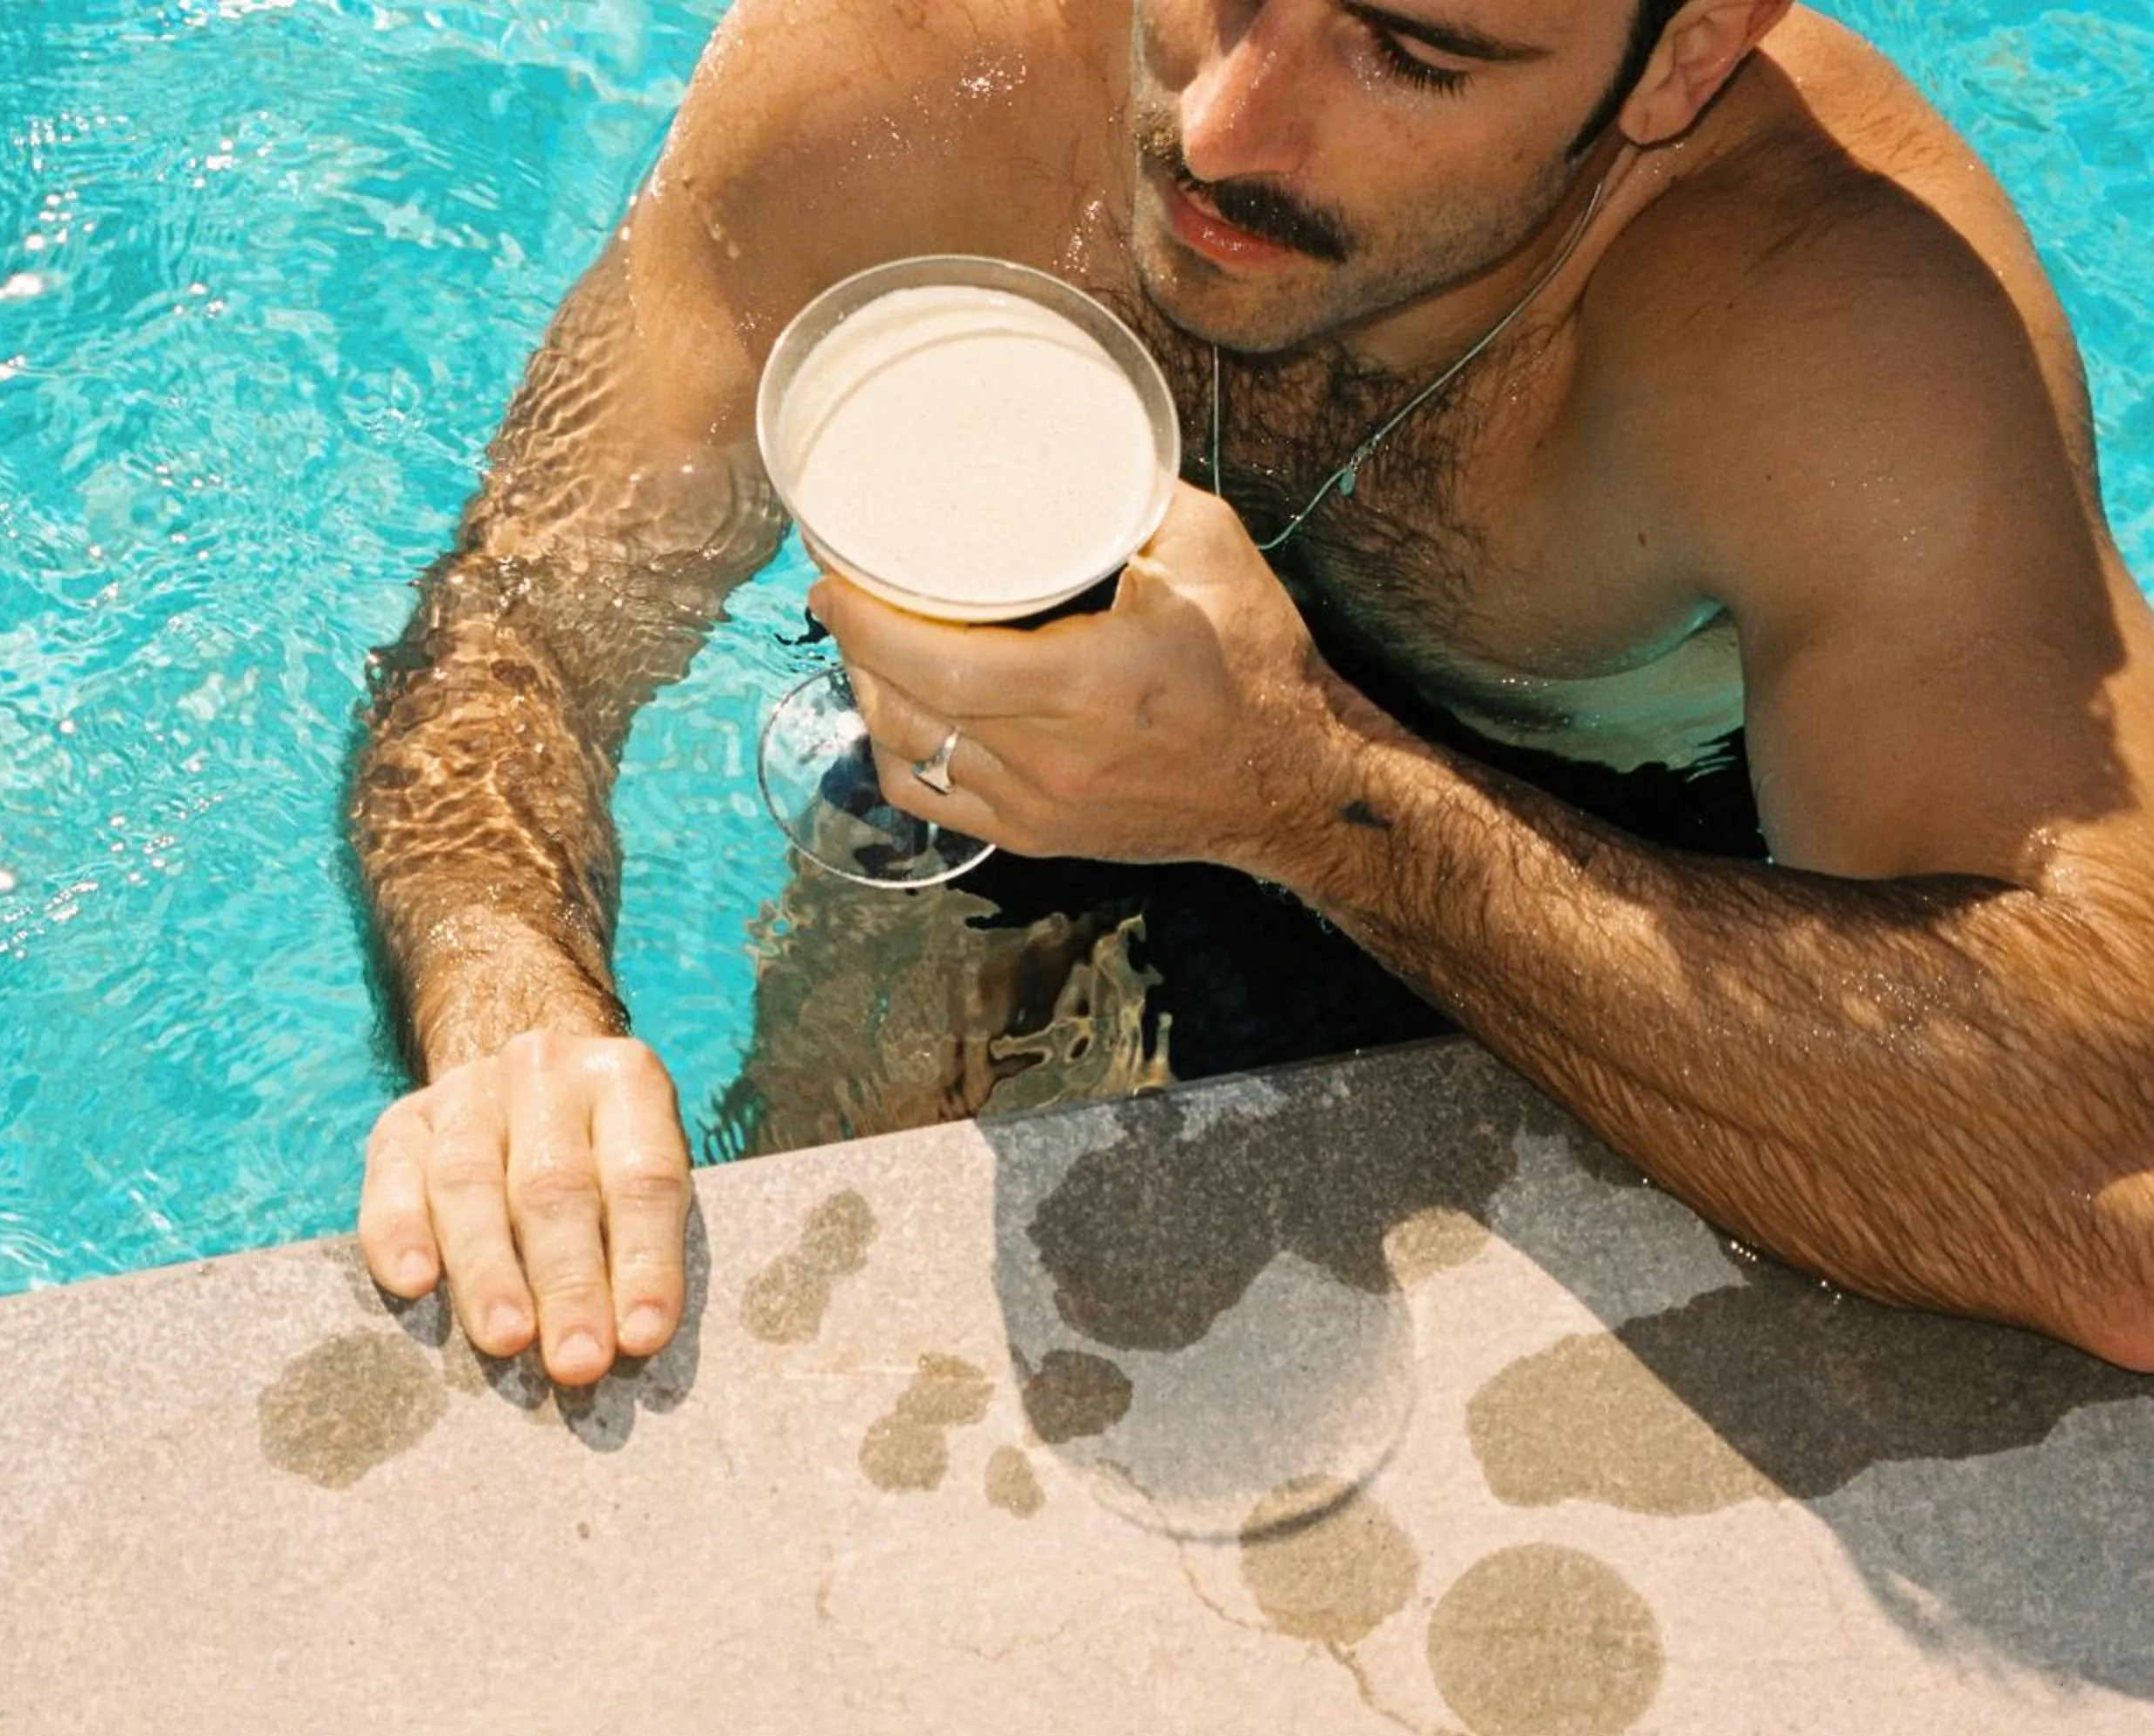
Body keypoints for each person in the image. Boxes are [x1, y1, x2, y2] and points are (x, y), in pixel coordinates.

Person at [345, 0, 2154, 1382]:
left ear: (1681, 56)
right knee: (819, 1309)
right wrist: (513, 1003)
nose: (1221, 123)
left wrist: (1314, 800)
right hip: (1019, 722)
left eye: (1411, 53)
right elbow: (519, 624)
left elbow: (2117, 1172)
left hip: (1597, 847)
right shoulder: (906, 63)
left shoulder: (1826, 323)